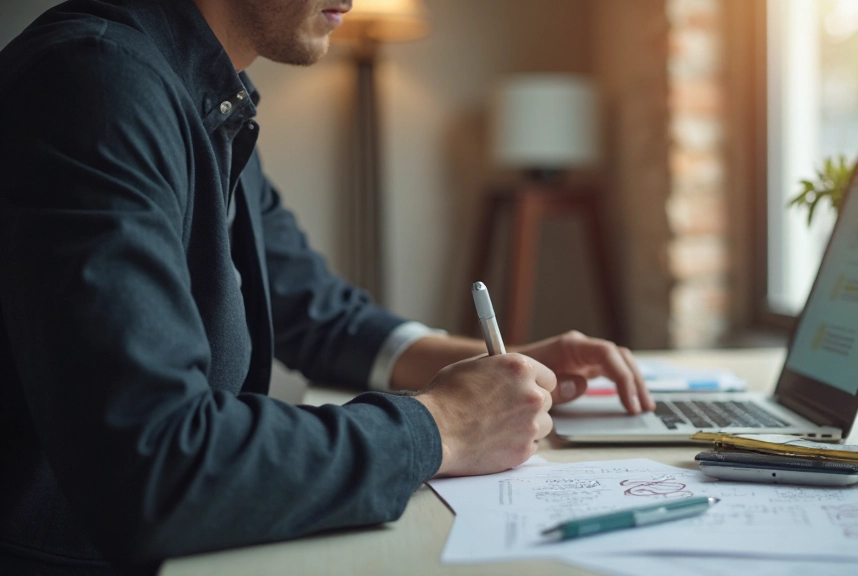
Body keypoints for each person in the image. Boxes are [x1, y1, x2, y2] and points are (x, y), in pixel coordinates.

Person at [0, 0, 655, 573]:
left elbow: (314, 309)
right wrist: (442, 426)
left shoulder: (197, 88)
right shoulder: (95, 88)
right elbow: (156, 462)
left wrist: (496, 370)